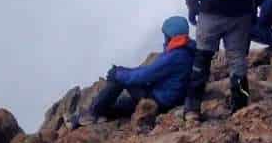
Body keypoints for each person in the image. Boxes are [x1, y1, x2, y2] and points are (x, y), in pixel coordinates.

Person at [65, 16, 196, 129]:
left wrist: (117, 73)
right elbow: (150, 72)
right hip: (169, 98)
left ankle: (91, 114)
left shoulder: (175, 56)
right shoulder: (185, 51)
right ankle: (95, 115)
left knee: (118, 80)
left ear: (170, 35)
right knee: (121, 105)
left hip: (161, 101)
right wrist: (124, 71)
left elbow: (145, 75)